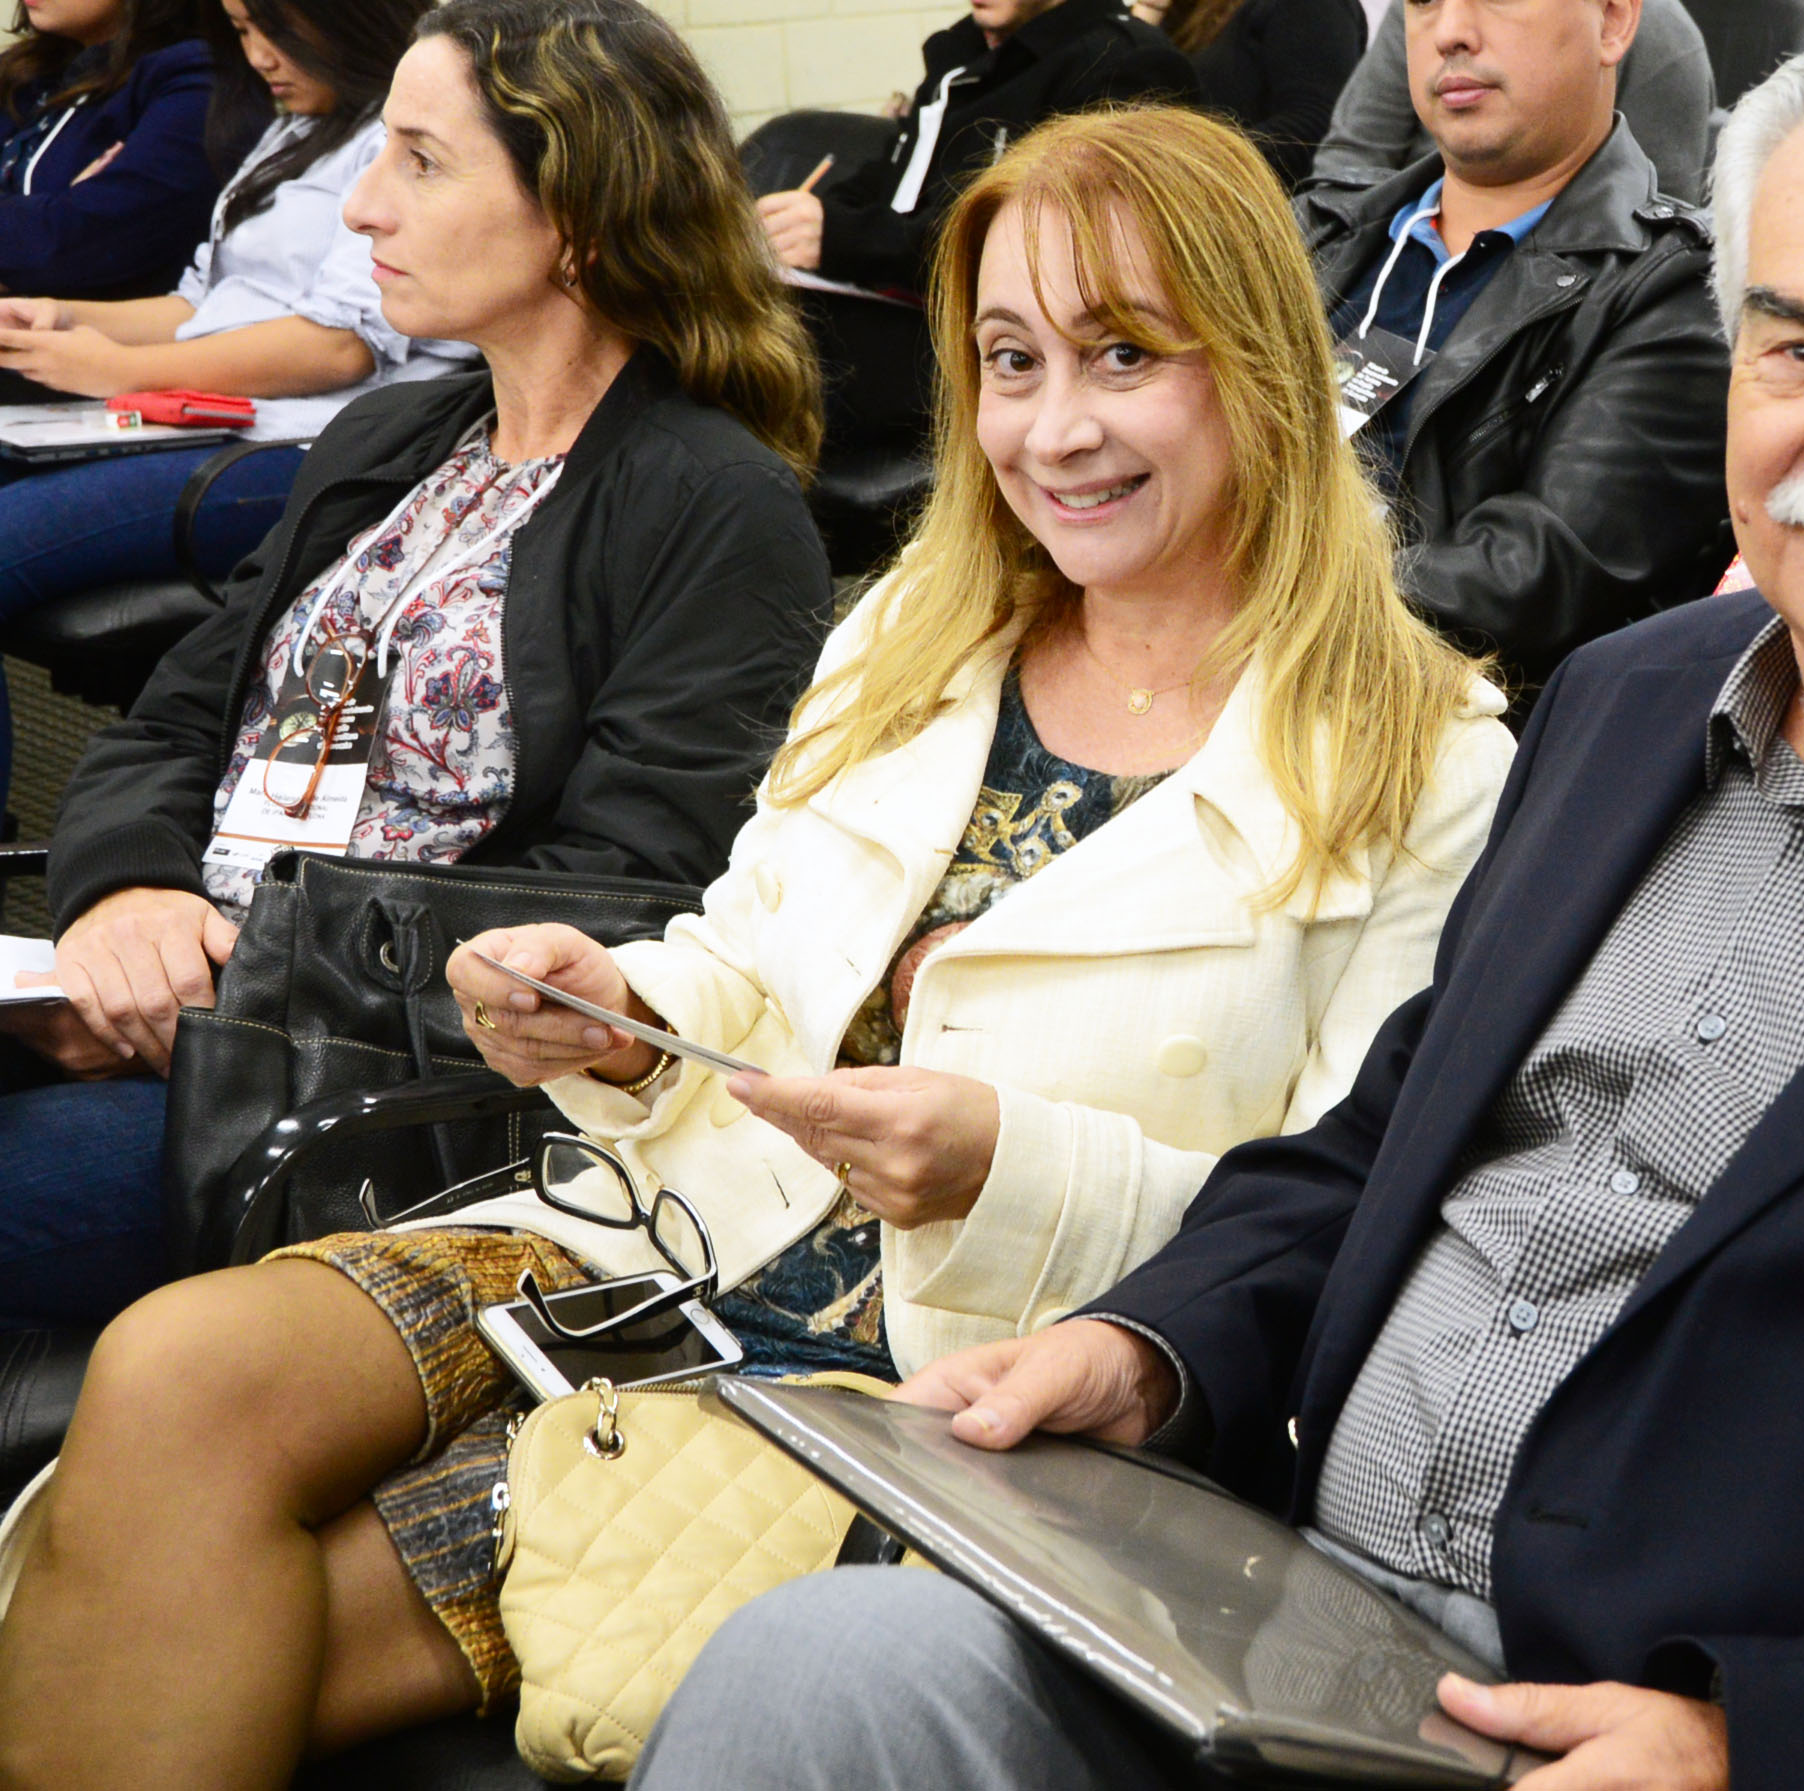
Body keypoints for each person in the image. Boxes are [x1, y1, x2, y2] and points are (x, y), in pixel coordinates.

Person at [636, 34, 1804, 1791]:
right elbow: (1377, 1155)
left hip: (1702, 1747)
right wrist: (1158, 1346)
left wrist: (1757, 1751)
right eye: (1793, 348)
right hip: (1258, 1640)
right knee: (816, 1675)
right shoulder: (1626, 709)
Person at [0, 103, 1513, 1784]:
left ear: (1259, 368)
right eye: (1009, 363)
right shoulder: (921, 630)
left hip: (919, 1362)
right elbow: (746, 950)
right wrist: (624, 1009)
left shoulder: (1420, 757)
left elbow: (1341, 1221)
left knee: (225, 1625)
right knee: (176, 1365)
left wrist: (1004, 1165)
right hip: (661, 1233)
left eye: (1121, 356)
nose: (1054, 427)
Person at [0, 0, 832, 1339]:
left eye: (421, 162)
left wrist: (218, 993)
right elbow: (173, 725)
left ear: (581, 214)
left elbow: (626, 899)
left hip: (367, 1101)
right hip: (167, 1010)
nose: (363, 207)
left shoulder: (711, 506)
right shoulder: (390, 443)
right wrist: (124, 897)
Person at [0, 0, 481, 802]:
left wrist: (122, 371)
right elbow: (200, 306)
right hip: (209, 423)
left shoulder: (397, 144)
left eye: (273, 28)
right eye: (242, 30)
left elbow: (340, 344)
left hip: (307, 452)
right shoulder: (297, 128)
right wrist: (63, 318)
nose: (258, 56)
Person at [1309, 0, 1730, 699]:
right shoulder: (1316, 236)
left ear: (1612, 22)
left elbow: (1533, 575)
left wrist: (1248, 588)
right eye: (1423, 2)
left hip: (1433, 722)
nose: (1450, 31)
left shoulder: (1677, 289)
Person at [754, 0, 1196, 452]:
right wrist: (816, 215)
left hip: (982, 353)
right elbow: (897, 176)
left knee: (754, 365)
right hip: (899, 328)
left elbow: (1049, 254)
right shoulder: (960, 52)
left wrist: (845, 237)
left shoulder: (1120, 62)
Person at [1309, 0, 1715, 202]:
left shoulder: (1664, 44)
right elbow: (1349, 160)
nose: (1449, 33)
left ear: (1611, 19)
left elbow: (1653, 231)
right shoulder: (1432, 15)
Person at [0, 0, 239, 300]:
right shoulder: (28, 69)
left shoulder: (197, 79)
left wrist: (48, 229)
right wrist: (49, 213)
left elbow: (75, 244)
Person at [1133, 0, 1366, 185]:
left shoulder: (1311, 6)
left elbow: (1311, 126)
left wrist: (1186, 164)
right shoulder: (1195, 10)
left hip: (1244, 206)